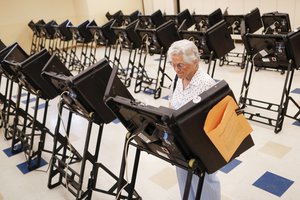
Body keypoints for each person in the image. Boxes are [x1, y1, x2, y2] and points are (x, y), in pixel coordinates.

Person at [167, 39, 221, 200]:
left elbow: (214, 121)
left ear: (195, 62)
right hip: (181, 140)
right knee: (184, 176)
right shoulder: (178, 79)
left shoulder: (206, 84)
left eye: (180, 65)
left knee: (204, 181)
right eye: (173, 64)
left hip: (200, 144)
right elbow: (171, 102)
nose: (176, 69)